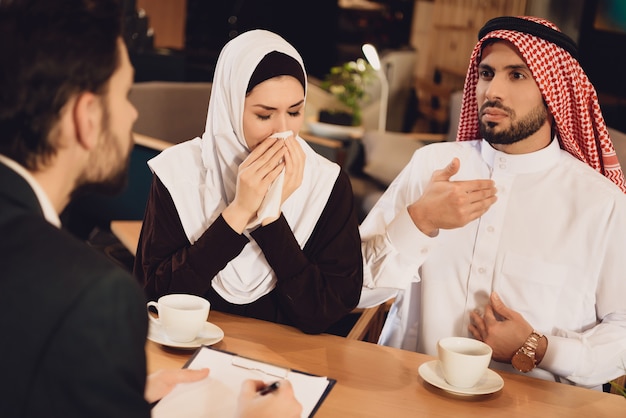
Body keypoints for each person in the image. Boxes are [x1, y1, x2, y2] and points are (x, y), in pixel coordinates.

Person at [0, 1, 301, 417]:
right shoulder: (94, 295)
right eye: (125, 94)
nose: (134, 114)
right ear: (86, 117)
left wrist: (113, 393)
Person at [359, 15, 626, 390]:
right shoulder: (433, 166)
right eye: (486, 74)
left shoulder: (601, 203)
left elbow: (622, 332)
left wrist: (539, 349)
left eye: (517, 75)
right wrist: (419, 221)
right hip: (410, 395)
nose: (492, 91)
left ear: (555, 93)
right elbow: (355, 288)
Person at [133, 29, 363, 335]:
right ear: (229, 109)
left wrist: (271, 220)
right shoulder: (180, 173)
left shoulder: (326, 183)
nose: (283, 132)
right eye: (264, 115)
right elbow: (156, 296)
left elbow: (325, 313)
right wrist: (238, 213)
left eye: (295, 112)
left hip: (287, 366)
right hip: (191, 355)